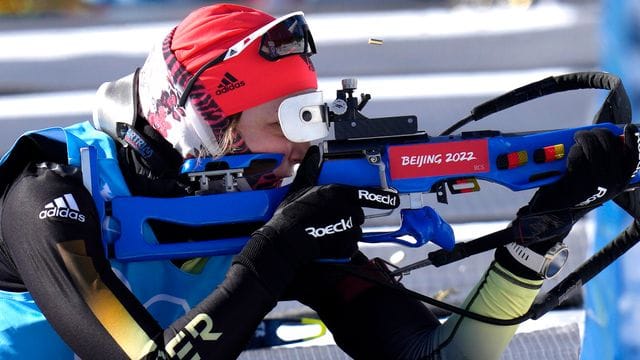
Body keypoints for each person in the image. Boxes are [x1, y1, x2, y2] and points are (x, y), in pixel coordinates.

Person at [0, 3, 638, 360]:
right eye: (281, 120)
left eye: (309, 118)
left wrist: (534, 240)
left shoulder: (274, 193)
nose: (302, 147)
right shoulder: (52, 189)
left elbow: (432, 357)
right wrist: (276, 251)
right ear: (197, 120)